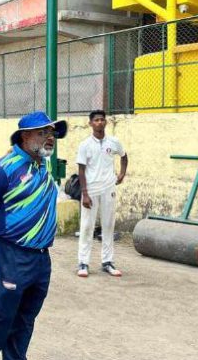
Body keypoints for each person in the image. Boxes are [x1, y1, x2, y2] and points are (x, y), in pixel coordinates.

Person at [0, 111, 68, 360]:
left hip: (42, 258)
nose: (50, 138)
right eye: (42, 132)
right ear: (24, 136)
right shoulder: (3, 169)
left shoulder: (43, 164)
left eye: (52, 133)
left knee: (25, 318)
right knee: (0, 314)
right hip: (13, 254)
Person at [76, 110, 128, 278]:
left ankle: (107, 262)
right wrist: (84, 193)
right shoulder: (85, 145)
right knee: (86, 226)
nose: (99, 122)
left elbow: (124, 156)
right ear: (90, 124)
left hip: (109, 189)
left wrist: (121, 174)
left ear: (105, 123)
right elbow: (81, 170)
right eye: (96, 120)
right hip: (91, 190)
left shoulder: (113, 142)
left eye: (102, 120)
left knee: (108, 225)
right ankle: (83, 263)